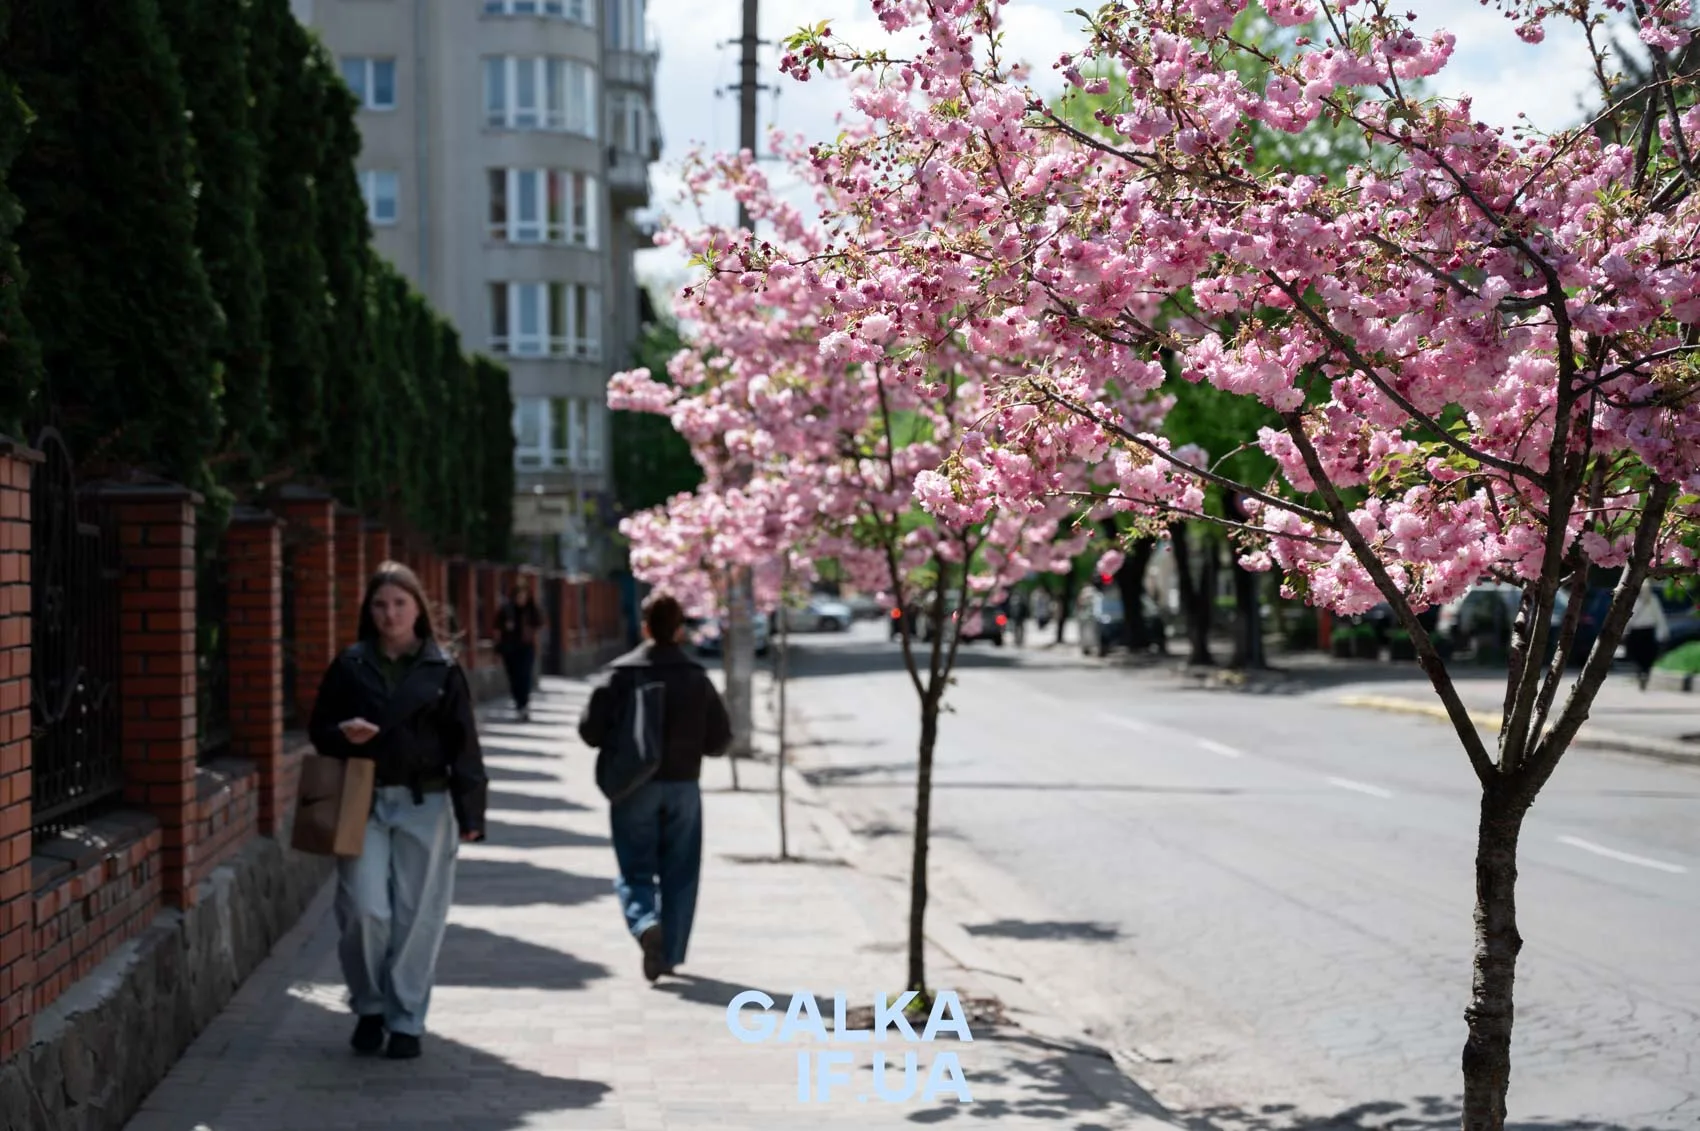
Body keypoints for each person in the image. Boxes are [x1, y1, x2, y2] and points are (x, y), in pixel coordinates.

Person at [309, 562, 488, 1060]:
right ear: (369, 611)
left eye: (400, 604)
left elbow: (464, 745)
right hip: (361, 797)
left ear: (418, 609)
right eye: (381, 605)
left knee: (418, 916)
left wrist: (472, 813)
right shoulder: (350, 665)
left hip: (425, 802)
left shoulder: (442, 668)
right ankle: (369, 1006)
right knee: (364, 909)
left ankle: (406, 1019)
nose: (390, 614)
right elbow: (318, 729)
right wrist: (344, 733)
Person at [577, 593, 732, 982]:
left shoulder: (620, 675)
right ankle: (671, 953)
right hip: (683, 787)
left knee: (634, 869)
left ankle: (646, 923)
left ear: (644, 627)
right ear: (680, 629)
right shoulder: (697, 678)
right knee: (681, 872)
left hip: (633, 787)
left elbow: (589, 732)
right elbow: (719, 742)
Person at [494, 577, 545, 721]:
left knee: (525, 676)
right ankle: (519, 704)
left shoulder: (531, 609)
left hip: (526, 648)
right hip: (509, 649)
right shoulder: (506, 609)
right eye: (519, 596)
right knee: (514, 678)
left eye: (524, 596)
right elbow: (497, 628)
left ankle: (524, 704)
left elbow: (539, 625)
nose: (521, 599)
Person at [1625, 584, 1670, 690]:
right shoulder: (1632, 599)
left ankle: (1643, 672)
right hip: (1637, 631)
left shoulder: (1652, 599)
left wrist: (1663, 632)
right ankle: (1642, 672)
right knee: (1636, 654)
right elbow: (1627, 617)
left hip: (1646, 631)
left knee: (1647, 655)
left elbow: (1658, 616)